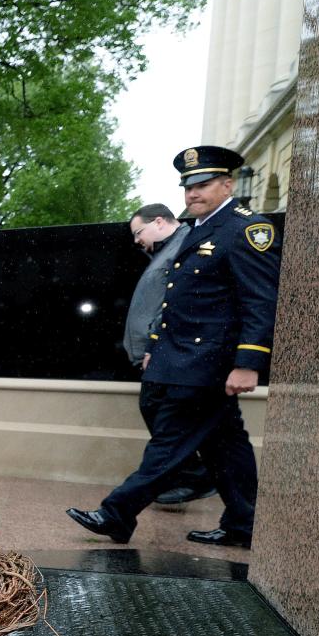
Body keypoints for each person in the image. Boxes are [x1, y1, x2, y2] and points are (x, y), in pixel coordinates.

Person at [67, 145, 280, 549]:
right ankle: (244, 525)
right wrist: (155, 346)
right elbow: (176, 301)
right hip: (183, 359)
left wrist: (249, 362)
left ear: (227, 185)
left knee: (170, 442)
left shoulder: (247, 230)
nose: (192, 193)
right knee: (225, 447)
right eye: (188, 187)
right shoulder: (198, 230)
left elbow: (260, 301)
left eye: (202, 185)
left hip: (207, 364)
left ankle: (117, 513)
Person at [124, 203, 216, 506]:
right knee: (165, 417)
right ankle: (186, 477)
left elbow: (172, 303)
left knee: (159, 413)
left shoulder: (183, 247)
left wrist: (154, 344)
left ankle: (194, 476)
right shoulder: (165, 251)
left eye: (139, 232)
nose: (136, 240)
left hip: (165, 352)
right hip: (158, 353)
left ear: (160, 221)